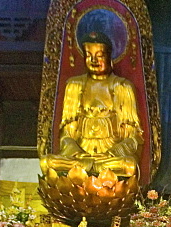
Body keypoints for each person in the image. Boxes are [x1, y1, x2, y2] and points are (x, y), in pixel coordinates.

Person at [39, 31, 142, 181]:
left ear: (109, 57)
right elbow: (66, 134)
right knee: (47, 162)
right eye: (89, 55)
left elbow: (133, 137)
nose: (94, 60)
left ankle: (93, 170)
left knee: (129, 165)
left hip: (108, 160)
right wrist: (78, 153)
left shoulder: (122, 87)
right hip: (80, 158)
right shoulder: (74, 86)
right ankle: (89, 169)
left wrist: (111, 154)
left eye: (100, 55)